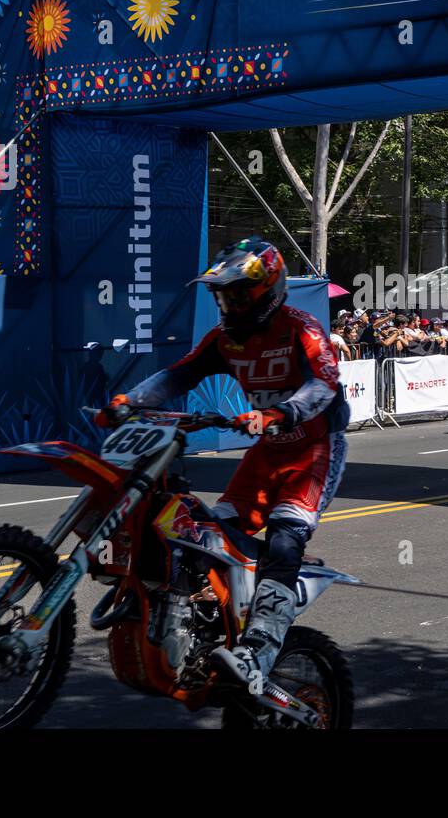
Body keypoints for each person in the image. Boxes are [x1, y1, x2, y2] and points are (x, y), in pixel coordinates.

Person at [96, 237, 349, 691]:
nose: (228, 305)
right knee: (205, 534)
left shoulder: (301, 328)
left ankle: (262, 646)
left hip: (313, 450)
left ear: (267, 291)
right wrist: (129, 401)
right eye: (223, 296)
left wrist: (279, 413)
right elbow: (177, 374)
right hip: (266, 452)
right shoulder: (223, 340)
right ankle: (210, 616)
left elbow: (325, 385)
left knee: (286, 539)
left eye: (238, 295)